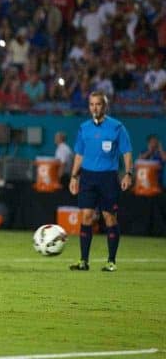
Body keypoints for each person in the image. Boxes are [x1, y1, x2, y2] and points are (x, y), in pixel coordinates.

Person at [69, 90, 133, 272]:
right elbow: (79, 155)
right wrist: (74, 176)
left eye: (98, 104)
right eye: (91, 104)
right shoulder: (84, 128)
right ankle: (83, 261)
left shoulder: (117, 127)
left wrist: (128, 173)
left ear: (105, 106)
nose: (94, 108)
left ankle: (111, 261)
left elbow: (127, 152)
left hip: (108, 178)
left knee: (109, 217)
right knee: (86, 216)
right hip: (88, 178)